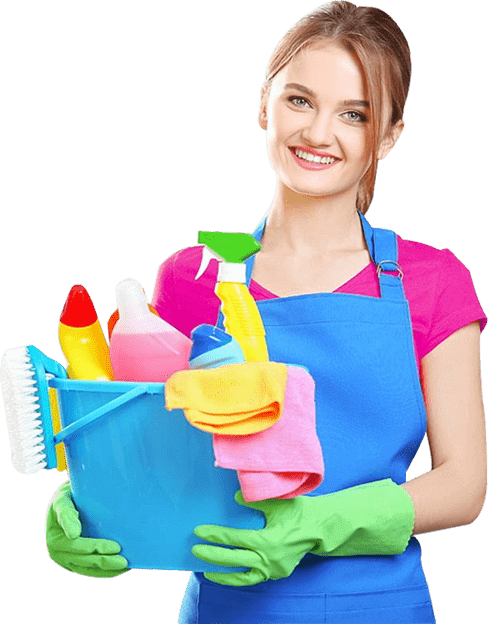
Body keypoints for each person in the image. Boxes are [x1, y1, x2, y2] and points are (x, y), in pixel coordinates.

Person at [45, 2, 486, 622]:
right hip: (227, 607)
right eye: (300, 100)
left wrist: (320, 522)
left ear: (388, 136)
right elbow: (157, 454)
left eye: (354, 114)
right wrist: (85, 500)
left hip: (381, 608)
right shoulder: (191, 277)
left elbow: (464, 485)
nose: (318, 133)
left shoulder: (432, 280)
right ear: (264, 105)